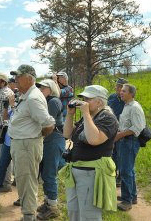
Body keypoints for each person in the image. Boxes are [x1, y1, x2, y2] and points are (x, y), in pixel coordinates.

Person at [59, 85, 119, 221]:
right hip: (76, 170)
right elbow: (67, 134)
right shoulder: (88, 118)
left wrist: (86, 114)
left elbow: (94, 139)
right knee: (73, 211)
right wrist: (69, 114)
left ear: (99, 102)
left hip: (92, 173)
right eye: (83, 99)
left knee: (89, 215)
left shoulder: (108, 118)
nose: (83, 102)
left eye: (88, 99)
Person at [8, 64, 55, 221]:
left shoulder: (33, 98)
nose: (16, 80)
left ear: (29, 79)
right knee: (23, 180)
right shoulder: (27, 95)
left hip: (27, 146)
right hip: (23, 145)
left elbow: (48, 124)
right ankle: (28, 215)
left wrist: (37, 136)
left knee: (26, 182)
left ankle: (29, 217)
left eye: (19, 77)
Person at [36, 79, 66, 220]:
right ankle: (48, 202)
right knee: (45, 171)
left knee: (49, 173)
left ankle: (53, 207)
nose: (41, 90)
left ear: (52, 89)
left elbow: (47, 122)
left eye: (44, 88)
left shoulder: (53, 101)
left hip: (54, 140)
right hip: (48, 140)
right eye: (40, 87)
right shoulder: (46, 101)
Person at [115, 84, 145, 211]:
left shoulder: (135, 107)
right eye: (121, 91)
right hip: (125, 141)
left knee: (126, 171)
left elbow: (137, 128)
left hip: (130, 141)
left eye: (124, 91)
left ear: (131, 94)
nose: (121, 92)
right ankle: (132, 197)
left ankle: (127, 201)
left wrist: (120, 135)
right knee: (129, 170)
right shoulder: (127, 106)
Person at [107, 77, 128, 187]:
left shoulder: (127, 99)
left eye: (119, 86)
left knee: (120, 154)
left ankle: (120, 176)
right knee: (111, 152)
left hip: (122, 131)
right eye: (116, 86)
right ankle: (113, 173)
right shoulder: (111, 97)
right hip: (111, 129)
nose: (117, 88)